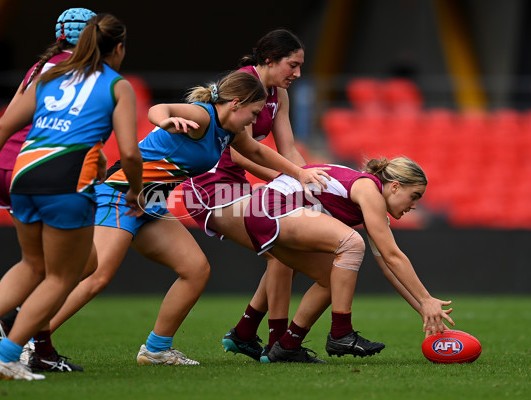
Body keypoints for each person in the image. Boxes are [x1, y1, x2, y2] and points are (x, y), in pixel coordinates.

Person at [44, 70, 331, 366]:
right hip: (120, 194)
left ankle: (156, 350)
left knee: (195, 269)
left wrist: (299, 174)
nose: (254, 120)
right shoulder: (203, 117)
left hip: (149, 203)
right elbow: (160, 109)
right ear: (235, 104)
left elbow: (257, 152)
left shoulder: (229, 131)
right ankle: (31, 341)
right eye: (253, 112)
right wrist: (163, 121)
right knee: (97, 276)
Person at [0, 13, 143, 380]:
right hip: (66, 181)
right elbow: (131, 153)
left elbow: (2, 124)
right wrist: (136, 190)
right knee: (59, 277)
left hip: (23, 175)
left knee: (32, 265)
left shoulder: (50, 74)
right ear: (118, 48)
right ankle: (7, 356)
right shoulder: (118, 85)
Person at [199, 156, 455, 363]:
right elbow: (393, 256)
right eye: (415, 196)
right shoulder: (369, 190)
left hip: (268, 210)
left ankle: (286, 346)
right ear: (396, 186)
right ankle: (340, 332)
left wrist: (424, 308)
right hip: (270, 207)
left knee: (335, 277)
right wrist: (425, 298)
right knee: (352, 243)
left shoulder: (372, 204)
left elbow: (389, 267)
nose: (414, 206)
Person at [181, 28, 309, 360]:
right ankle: (277, 344)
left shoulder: (279, 93)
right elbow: (241, 152)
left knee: (288, 249)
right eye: (292, 65)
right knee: (282, 250)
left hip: (236, 184)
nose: (297, 73)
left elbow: (290, 150)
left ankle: (245, 333)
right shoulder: (243, 84)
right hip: (208, 186)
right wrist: (291, 182)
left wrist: (309, 182)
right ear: (270, 60)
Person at [0, 7, 97, 374]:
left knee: (62, 265)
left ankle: (26, 336)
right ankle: (18, 333)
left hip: (8, 166)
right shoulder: (86, 71)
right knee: (59, 269)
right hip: (38, 168)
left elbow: (8, 118)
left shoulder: (43, 66)